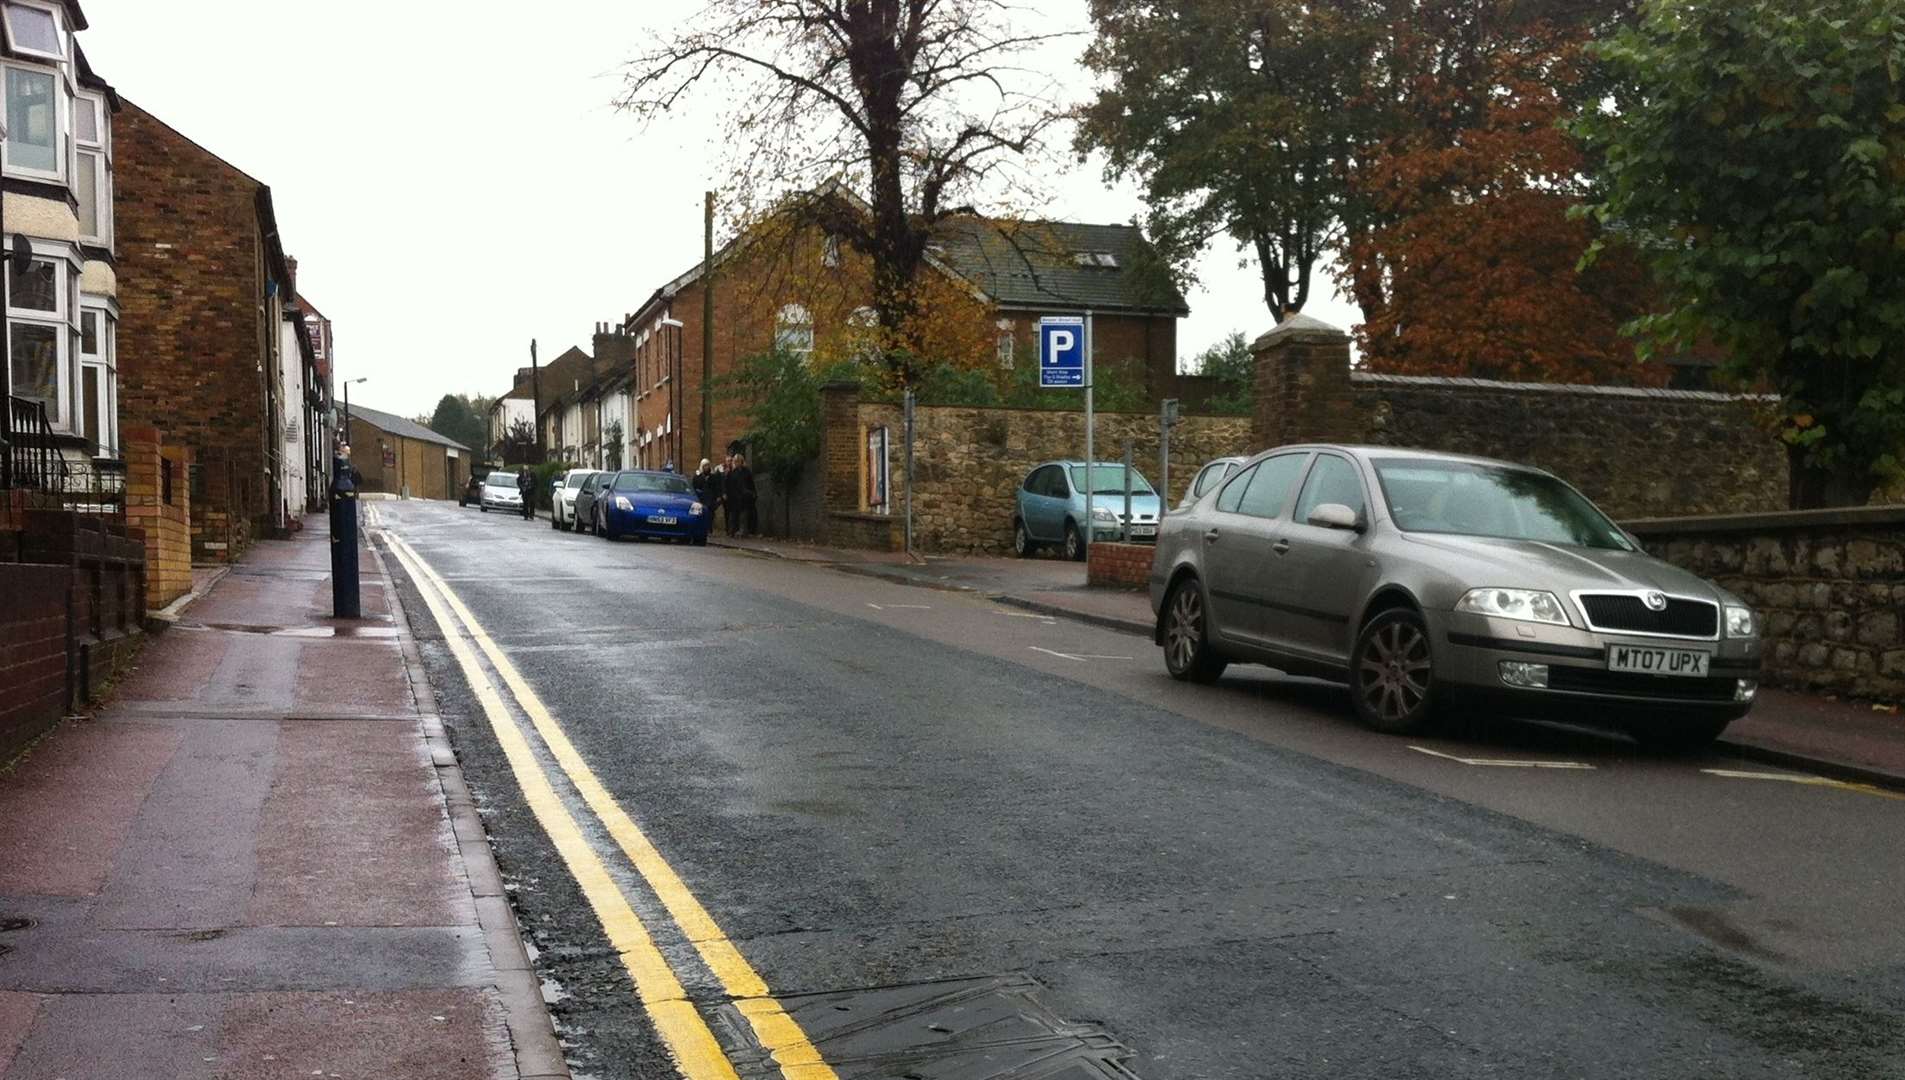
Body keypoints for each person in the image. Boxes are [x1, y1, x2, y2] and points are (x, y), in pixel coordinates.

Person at [728, 452, 758, 537]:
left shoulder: (747, 472)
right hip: (735, 498)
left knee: (743, 516)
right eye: (735, 461)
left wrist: (752, 493)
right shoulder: (733, 473)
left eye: (738, 461)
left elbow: (751, 484)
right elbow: (730, 486)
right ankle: (732, 531)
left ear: (741, 462)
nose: (736, 463)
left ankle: (743, 531)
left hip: (744, 498)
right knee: (733, 516)